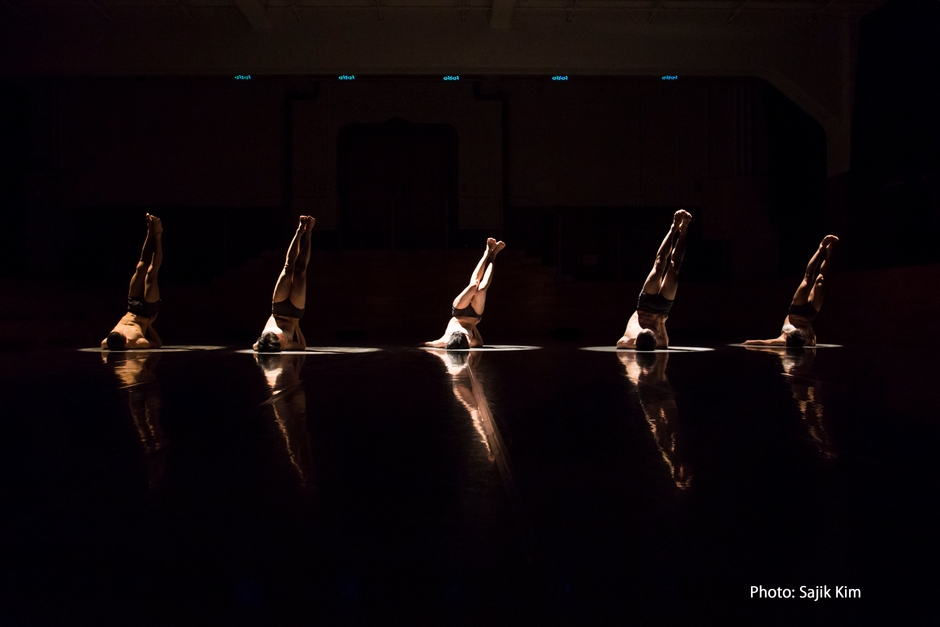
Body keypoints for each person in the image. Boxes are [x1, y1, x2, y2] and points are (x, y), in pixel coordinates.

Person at [744, 235, 838, 348]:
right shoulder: (808, 341)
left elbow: (764, 342)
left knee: (808, 278)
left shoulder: (783, 339)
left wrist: (749, 342)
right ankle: (829, 252)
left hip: (796, 311)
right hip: (810, 314)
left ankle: (820, 248)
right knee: (821, 280)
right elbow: (813, 341)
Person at [617, 209, 692, 350]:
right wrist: (662, 323)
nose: (648, 330)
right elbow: (665, 343)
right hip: (662, 310)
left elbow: (619, 344)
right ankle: (683, 232)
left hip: (644, 305)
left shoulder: (626, 341)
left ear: (637, 339)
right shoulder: (659, 342)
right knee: (674, 269)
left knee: (659, 265)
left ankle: (673, 228)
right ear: (654, 337)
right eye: (651, 333)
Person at [425, 238, 505, 349]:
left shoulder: (443, 341)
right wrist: (474, 326)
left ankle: (486, 252)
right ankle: (493, 256)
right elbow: (480, 343)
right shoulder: (470, 342)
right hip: (475, 315)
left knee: (474, 285)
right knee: (481, 289)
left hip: (459, 312)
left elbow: (425, 344)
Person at [102, 214, 164, 350]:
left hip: (132, 307)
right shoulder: (137, 342)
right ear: (126, 342)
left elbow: (105, 343)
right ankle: (158, 236)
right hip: (147, 312)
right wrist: (149, 326)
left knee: (140, 268)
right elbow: (158, 344)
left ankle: (150, 232)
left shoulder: (107, 342)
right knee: (151, 274)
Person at [254, 216, 315, 352]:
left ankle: (299, 231)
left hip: (278, 309)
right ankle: (309, 234)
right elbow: (302, 346)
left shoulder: (260, 344)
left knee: (288, 268)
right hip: (294, 312)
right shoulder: (284, 344)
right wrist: (297, 326)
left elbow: (255, 346)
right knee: (300, 272)